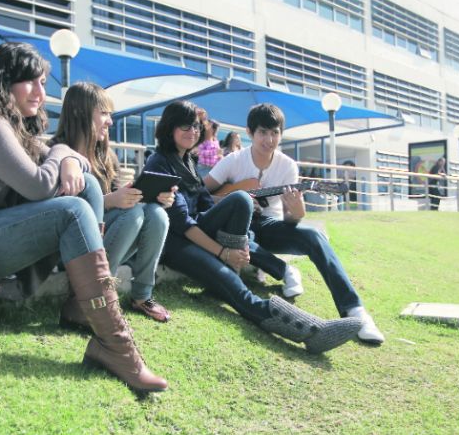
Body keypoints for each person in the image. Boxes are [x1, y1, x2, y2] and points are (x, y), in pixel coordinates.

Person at [0, 43, 167, 392]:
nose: (41, 92)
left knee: (87, 190)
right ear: (4, 82)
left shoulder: (8, 122)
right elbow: (38, 186)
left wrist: (67, 156)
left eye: (43, 82)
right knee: (72, 210)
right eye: (31, 82)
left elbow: (55, 156)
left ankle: (80, 307)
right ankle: (116, 345)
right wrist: (65, 153)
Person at [144, 100, 362, 354]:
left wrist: (240, 228)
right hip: (176, 241)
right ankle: (311, 330)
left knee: (240, 199)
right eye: (184, 126)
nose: (192, 131)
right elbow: (182, 222)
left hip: (198, 232)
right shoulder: (159, 162)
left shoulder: (188, 162)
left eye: (195, 126)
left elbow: (206, 202)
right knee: (236, 289)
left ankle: (242, 267)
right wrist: (223, 252)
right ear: (169, 128)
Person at [203, 103, 385, 345]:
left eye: (275, 132)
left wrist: (297, 210)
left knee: (314, 236)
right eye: (263, 133)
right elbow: (200, 194)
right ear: (249, 133)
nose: (269, 139)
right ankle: (285, 270)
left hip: (270, 225)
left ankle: (355, 310)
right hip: (237, 229)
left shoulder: (287, 166)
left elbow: (290, 219)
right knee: (241, 231)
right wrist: (234, 200)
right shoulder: (234, 161)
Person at [51, 82, 175, 322]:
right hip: (68, 249)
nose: (110, 121)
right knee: (132, 215)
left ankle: (142, 295)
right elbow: (62, 209)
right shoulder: (57, 153)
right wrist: (111, 201)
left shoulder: (106, 157)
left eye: (111, 114)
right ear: (79, 112)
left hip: (104, 241)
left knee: (156, 214)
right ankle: (97, 297)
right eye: (104, 113)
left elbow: (120, 198)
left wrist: (153, 197)